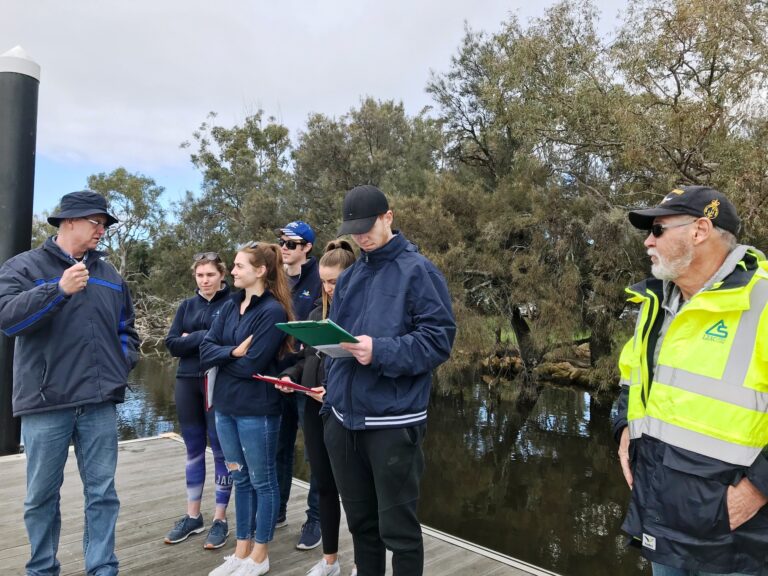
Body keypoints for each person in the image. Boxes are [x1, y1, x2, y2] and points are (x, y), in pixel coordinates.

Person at [613, 186, 768, 576]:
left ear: (700, 230)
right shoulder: (657, 304)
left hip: (734, 543)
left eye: (659, 230)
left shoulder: (762, 302)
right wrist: (622, 430)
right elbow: (631, 379)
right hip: (664, 526)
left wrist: (758, 488)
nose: (648, 240)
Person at [0, 190, 139, 576]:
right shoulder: (23, 267)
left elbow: (127, 329)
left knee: (102, 495)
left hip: (98, 403)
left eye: (105, 225)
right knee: (40, 498)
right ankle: (42, 569)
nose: (102, 231)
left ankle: (102, 567)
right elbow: (8, 320)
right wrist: (57, 291)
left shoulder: (110, 275)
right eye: (97, 223)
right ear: (69, 222)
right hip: (46, 404)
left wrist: (120, 367)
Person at [322, 185, 456, 576]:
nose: (361, 236)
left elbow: (438, 342)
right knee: (362, 527)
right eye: (354, 230)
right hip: (343, 421)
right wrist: (329, 387)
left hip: (393, 426)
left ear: (389, 217)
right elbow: (342, 337)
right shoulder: (350, 278)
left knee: (399, 532)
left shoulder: (420, 271)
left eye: (368, 227)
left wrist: (379, 351)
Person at [200, 242, 294, 576]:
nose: (234, 271)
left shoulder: (272, 312)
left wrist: (227, 357)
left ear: (260, 271)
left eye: (239, 266)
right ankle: (241, 551)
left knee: (263, 481)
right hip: (225, 407)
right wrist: (230, 353)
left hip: (258, 410)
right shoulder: (229, 305)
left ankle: (260, 554)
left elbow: (253, 366)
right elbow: (205, 349)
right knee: (240, 478)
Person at [278, 240, 358, 576]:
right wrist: (289, 375)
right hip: (313, 409)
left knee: (356, 493)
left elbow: (362, 370)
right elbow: (307, 359)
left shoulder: (362, 318)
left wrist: (334, 392)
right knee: (323, 486)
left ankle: (367, 562)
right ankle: (329, 560)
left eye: (336, 281)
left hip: (346, 413)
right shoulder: (314, 315)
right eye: (325, 281)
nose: (328, 288)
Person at [163, 251, 233, 549]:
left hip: (216, 382)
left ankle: (220, 519)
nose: (204, 281)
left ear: (222, 276)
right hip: (186, 381)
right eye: (200, 275)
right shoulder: (186, 305)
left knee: (219, 450)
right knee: (192, 449)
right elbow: (172, 344)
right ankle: (193, 517)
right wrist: (204, 337)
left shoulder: (232, 304)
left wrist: (195, 336)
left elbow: (230, 342)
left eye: (210, 275)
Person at [274, 220, 323, 551]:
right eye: (281, 241)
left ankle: (316, 517)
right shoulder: (273, 275)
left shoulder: (322, 279)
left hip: (308, 378)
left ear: (306, 248)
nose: (284, 248)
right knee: (280, 448)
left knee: (316, 452)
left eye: (291, 244)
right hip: (277, 377)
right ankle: (276, 510)